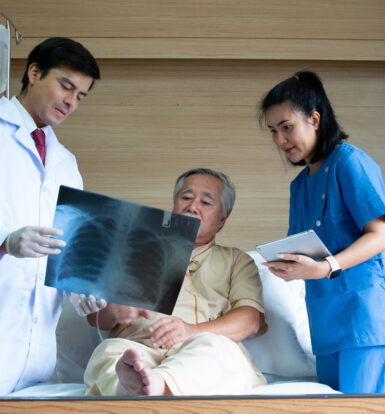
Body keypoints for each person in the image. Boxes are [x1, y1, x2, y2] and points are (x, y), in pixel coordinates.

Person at [84, 168, 268, 396]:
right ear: (174, 204)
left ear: (223, 216)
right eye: (186, 198)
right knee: (109, 352)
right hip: (139, 350)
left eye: (206, 202)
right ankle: (131, 385)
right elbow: (96, 318)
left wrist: (190, 331)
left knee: (217, 350)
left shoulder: (236, 260)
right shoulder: (134, 251)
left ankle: (149, 387)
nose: (193, 207)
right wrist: (114, 310)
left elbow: (250, 321)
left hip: (198, 352)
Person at [259, 70, 385, 394]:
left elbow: (381, 234)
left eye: (287, 127)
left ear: (314, 119)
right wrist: (286, 267)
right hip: (324, 322)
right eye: (273, 131)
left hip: (364, 316)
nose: (280, 140)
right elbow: (302, 248)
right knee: (329, 405)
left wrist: (326, 267)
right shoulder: (299, 186)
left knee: (359, 407)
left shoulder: (350, 162)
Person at [0, 37, 104, 395]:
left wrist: (79, 286)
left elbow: (69, 247)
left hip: (36, 355)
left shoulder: (66, 164)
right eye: (66, 86)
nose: (71, 102)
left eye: (81, 96)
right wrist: (4, 243)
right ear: (33, 72)